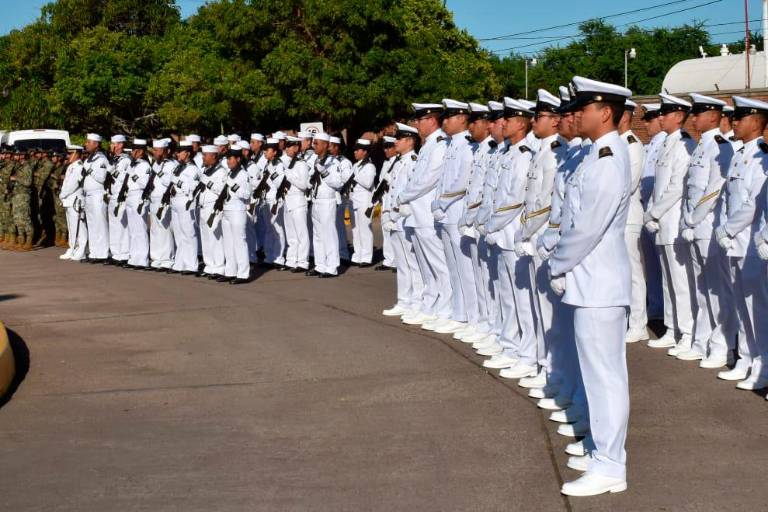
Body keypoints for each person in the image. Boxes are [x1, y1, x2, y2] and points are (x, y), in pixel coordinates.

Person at [549, 75, 633, 497]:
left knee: (605, 377)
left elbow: (587, 227)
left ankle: (610, 465)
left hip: (600, 282)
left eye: (583, 108)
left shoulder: (607, 159)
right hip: (593, 281)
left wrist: (557, 263)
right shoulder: (596, 155)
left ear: (605, 113)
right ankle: (604, 453)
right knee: (598, 374)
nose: (576, 115)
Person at [676, 93, 736, 368]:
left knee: (717, 291)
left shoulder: (720, 146)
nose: (694, 119)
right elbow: (691, 187)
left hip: (708, 226)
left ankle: (723, 346)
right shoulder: (702, 145)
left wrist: (693, 219)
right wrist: (687, 220)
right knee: (701, 289)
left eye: (698, 114)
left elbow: (714, 189)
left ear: (713, 116)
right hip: (695, 226)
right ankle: (702, 342)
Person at [715, 96, 768, 391]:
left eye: (740, 118)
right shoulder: (739, 154)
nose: (734, 122)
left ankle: (763, 364)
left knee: (756, 307)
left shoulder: (762, 156)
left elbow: (753, 204)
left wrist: (729, 228)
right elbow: (729, 198)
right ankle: (746, 359)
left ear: (757, 123)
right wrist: (725, 230)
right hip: (734, 242)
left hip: (750, 244)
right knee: (741, 306)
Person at [645, 94, 697, 353]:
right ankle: (672, 327)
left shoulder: (684, 144)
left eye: (665, 113)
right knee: (668, 281)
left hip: (673, 221)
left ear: (678, 117)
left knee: (680, 282)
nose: (660, 117)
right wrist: (651, 214)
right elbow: (658, 185)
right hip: (661, 223)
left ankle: (687, 332)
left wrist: (654, 213)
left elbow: (677, 186)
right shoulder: (666, 143)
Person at [397, 103, 453, 327]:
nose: (416, 124)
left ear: (431, 120)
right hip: (417, 214)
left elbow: (428, 179)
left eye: (420, 120)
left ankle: (444, 308)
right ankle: (430, 304)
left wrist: (403, 196)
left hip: (427, 215)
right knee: (426, 265)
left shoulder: (439, 144)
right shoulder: (429, 145)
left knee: (439, 265)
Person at [431, 99, 478, 335]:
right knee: (454, 268)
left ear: (461, 119)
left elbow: (462, 181)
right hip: (445, 213)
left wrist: (442, 202)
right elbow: (444, 179)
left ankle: (472, 317)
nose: (444, 122)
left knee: (465, 270)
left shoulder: (467, 145)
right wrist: (438, 203)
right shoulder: (451, 145)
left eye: (448, 118)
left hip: (456, 211)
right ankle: (459, 313)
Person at [382, 123, 424, 316]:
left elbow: (411, 192)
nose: (395, 142)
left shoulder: (414, 162)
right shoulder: (399, 162)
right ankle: (404, 300)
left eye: (399, 138)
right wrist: (387, 214)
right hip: (394, 218)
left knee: (412, 263)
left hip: (405, 218)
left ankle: (417, 302)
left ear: (410, 141)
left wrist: (396, 214)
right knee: (402, 263)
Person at [619, 100, 648, 343]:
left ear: (625, 117)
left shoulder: (632, 145)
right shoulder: (616, 144)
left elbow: (628, 185)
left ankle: (639, 323)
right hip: (616, 217)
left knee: (634, 273)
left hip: (629, 216)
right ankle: (624, 318)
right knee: (620, 272)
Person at [309, 133, 344, 277]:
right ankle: (320, 265)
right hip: (316, 200)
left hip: (327, 201)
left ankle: (332, 266)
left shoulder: (333, 162)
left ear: (325, 145)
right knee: (317, 235)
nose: (314, 145)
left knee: (329, 234)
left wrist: (324, 172)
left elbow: (338, 183)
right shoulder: (315, 160)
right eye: (314, 143)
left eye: (316, 143)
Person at [220, 148, 252, 284]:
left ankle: (243, 273)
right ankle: (230, 271)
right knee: (228, 243)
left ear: (238, 159)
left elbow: (247, 194)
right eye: (227, 159)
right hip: (227, 210)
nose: (228, 161)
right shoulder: (230, 173)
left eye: (230, 158)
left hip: (237, 211)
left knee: (239, 242)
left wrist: (233, 186)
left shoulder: (243, 174)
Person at [169, 140, 201, 274]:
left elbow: (193, 188)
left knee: (188, 233)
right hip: (175, 200)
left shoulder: (193, 169)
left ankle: (191, 265)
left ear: (187, 153)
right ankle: (180, 263)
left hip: (186, 200)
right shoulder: (179, 167)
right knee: (178, 233)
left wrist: (178, 182)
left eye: (180, 152)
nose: (177, 154)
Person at [281, 136, 311, 272]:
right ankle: (291, 260)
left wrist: (289, 176)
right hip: (287, 201)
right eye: (287, 147)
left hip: (298, 201)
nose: (288, 149)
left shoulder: (301, 164)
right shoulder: (285, 163)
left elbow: (304, 185)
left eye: (290, 147)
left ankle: (303, 261)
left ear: (297, 148)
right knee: (291, 234)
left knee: (301, 234)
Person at [198, 144, 228, 279]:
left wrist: (208, 182)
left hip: (213, 207)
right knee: (206, 237)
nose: (203, 158)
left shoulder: (221, 171)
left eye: (206, 155)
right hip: (203, 206)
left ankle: (219, 267)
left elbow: (221, 190)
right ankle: (209, 265)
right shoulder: (206, 170)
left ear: (214, 156)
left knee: (215, 237)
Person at [81, 133, 110, 261]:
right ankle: (94, 252)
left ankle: (103, 253)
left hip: (98, 194)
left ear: (96, 144)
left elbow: (102, 178)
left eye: (88, 142)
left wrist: (90, 170)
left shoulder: (101, 159)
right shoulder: (89, 159)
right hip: (88, 195)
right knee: (92, 224)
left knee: (100, 224)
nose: (86, 144)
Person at [348, 138, 377, 266]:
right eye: (354, 150)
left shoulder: (369, 166)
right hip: (354, 200)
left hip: (364, 201)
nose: (355, 152)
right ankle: (357, 255)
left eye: (357, 150)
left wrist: (355, 175)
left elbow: (368, 183)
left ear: (364, 151)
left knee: (365, 229)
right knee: (355, 230)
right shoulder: (356, 165)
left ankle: (366, 257)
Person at [124, 139, 152, 268]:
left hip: (138, 197)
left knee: (140, 229)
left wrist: (134, 175)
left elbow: (144, 184)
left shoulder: (145, 165)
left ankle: (142, 259)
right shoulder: (133, 164)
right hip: (130, 196)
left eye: (134, 150)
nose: (132, 152)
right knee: (132, 230)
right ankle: (134, 258)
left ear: (140, 151)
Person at [59, 145, 87, 260]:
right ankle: (72, 248)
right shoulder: (72, 166)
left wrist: (62, 194)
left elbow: (73, 184)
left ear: (77, 154)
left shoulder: (79, 167)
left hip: (75, 200)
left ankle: (81, 250)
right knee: (72, 227)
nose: (68, 156)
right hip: (69, 200)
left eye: (70, 154)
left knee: (78, 227)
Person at [107, 134, 131, 265]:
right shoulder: (114, 159)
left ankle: (124, 253)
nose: (111, 146)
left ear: (121, 145)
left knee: (122, 225)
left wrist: (110, 168)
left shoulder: (125, 160)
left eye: (114, 144)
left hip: (121, 195)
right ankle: (116, 253)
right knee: (114, 225)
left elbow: (121, 178)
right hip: (112, 194)